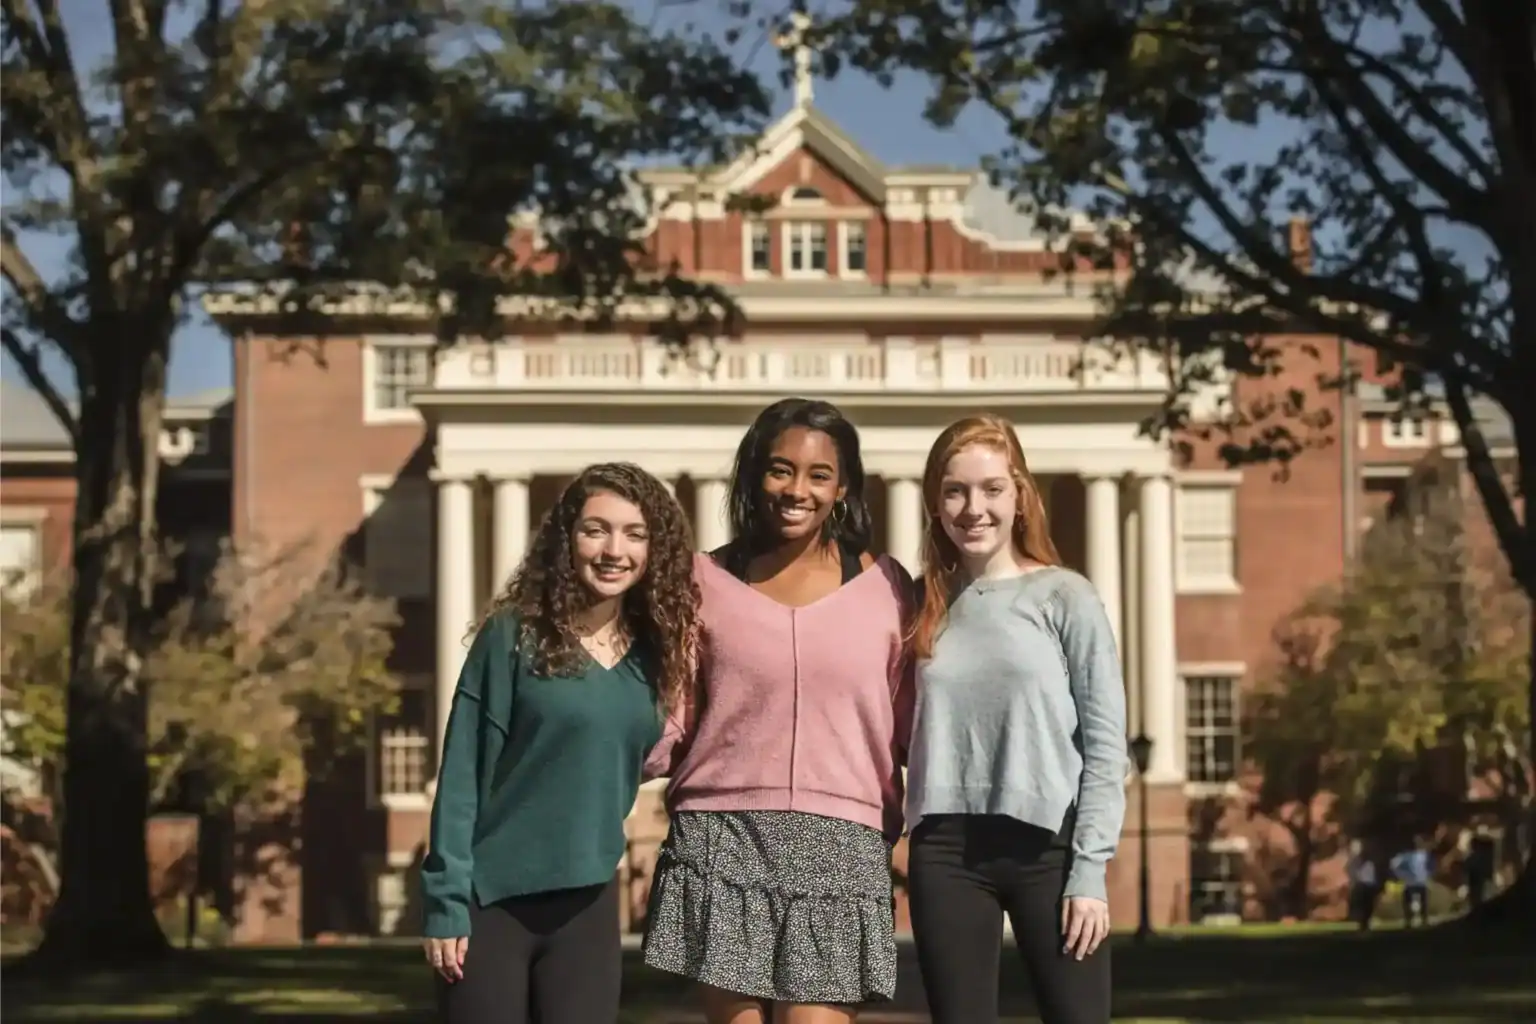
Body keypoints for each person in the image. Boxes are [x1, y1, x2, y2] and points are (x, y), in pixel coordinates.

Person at [642, 397, 915, 1024]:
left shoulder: (888, 588)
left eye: (819, 474)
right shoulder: (702, 579)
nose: (797, 489)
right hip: (720, 834)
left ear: (843, 486)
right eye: (779, 469)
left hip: (841, 839)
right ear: (754, 476)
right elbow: (673, 715)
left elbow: (912, 725)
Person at [420, 463, 701, 1024]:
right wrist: (445, 902)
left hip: (589, 905)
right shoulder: (511, 636)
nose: (613, 549)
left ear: (654, 550)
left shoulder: (655, 656)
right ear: (567, 539)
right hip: (492, 901)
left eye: (635, 533)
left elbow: (641, 755)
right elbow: (461, 774)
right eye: (596, 529)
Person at [904, 414, 1127, 1024]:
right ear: (935, 502)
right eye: (955, 491)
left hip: (1048, 847)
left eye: (991, 489)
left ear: (1020, 495)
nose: (973, 508)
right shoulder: (920, 603)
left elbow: (1108, 747)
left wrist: (1090, 872)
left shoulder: (1065, 597)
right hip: (945, 849)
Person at [1391, 837, 1434, 928]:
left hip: (1412, 882)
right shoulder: (1422, 855)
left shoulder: (1407, 856)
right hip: (1419, 882)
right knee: (1421, 901)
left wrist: (1400, 875)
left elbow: (1394, 865)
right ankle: (1421, 920)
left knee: (1410, 901)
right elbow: (1431, 866)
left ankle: (1410, 920)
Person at [1345, 840, 1380, 931]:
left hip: (1368, 884)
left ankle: (1366, 922)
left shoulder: (1369, 860)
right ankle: (1364, 923)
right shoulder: (1355, 860)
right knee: (1364, 905)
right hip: (1362, 884)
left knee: (1368, 905)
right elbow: (1349, 870)